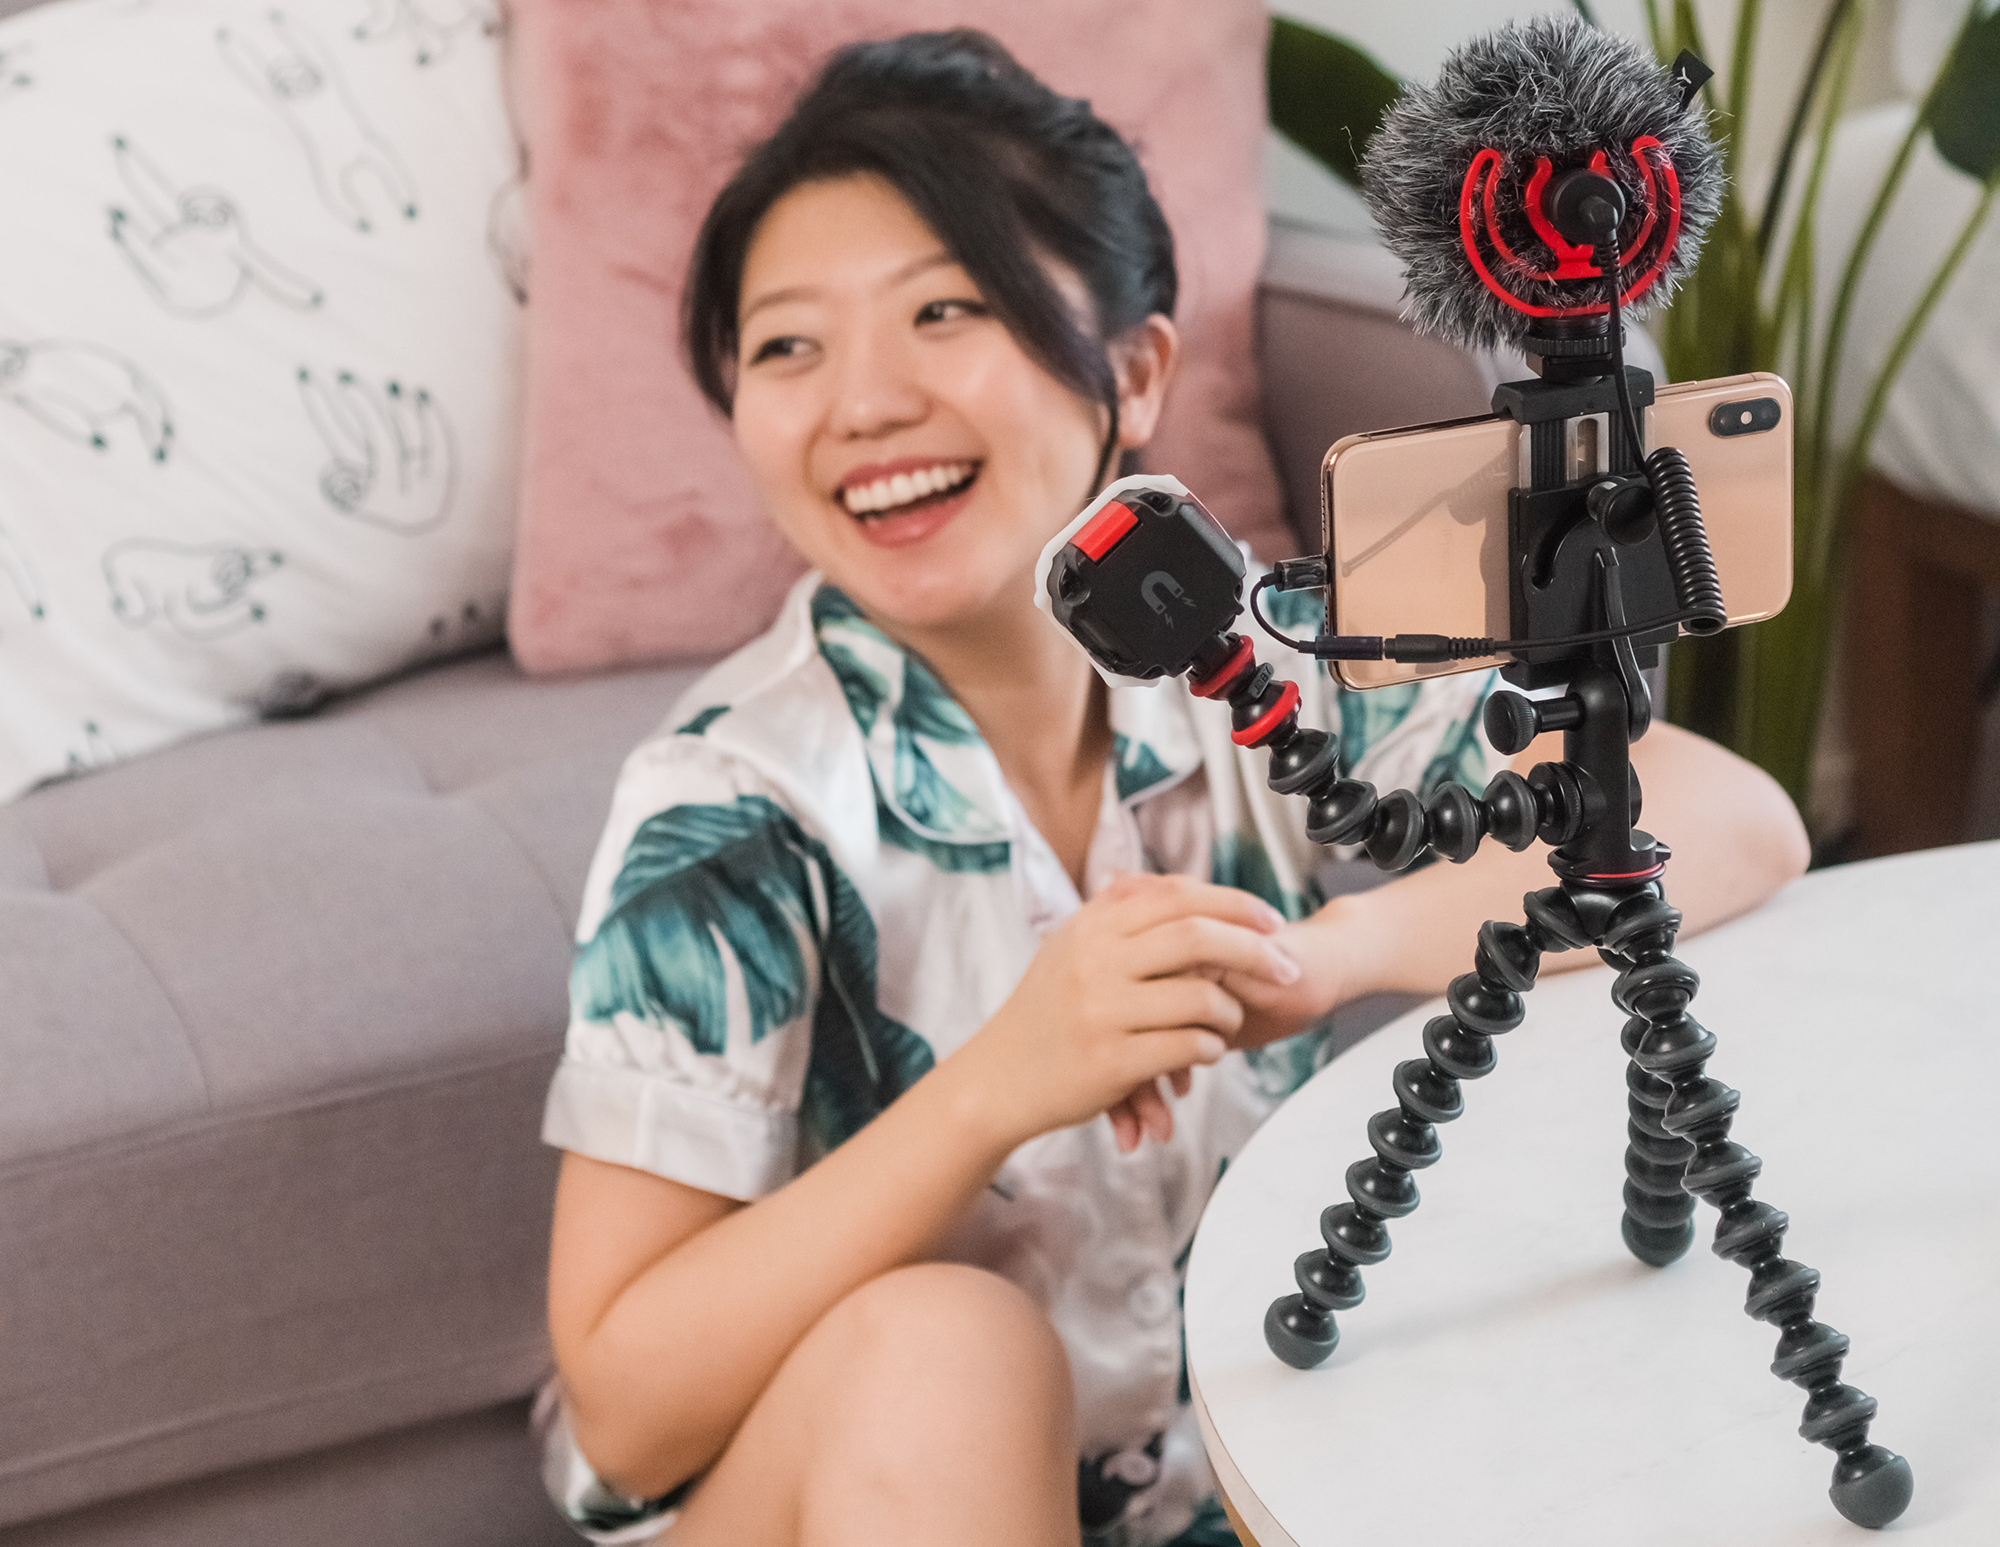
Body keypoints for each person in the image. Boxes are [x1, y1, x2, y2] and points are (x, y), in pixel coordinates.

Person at [535, 30, 1809, 1547]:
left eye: (945, 309)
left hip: (1191, 1491)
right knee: (944, 1351)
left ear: (1134, 372)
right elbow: (621, 1408)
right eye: (787, 347)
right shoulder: (730, 804)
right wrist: (1006, 1080)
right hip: (826, 1497)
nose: (860, 403)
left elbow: (1736, 821)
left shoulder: (1260, 659)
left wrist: (1318, 960)